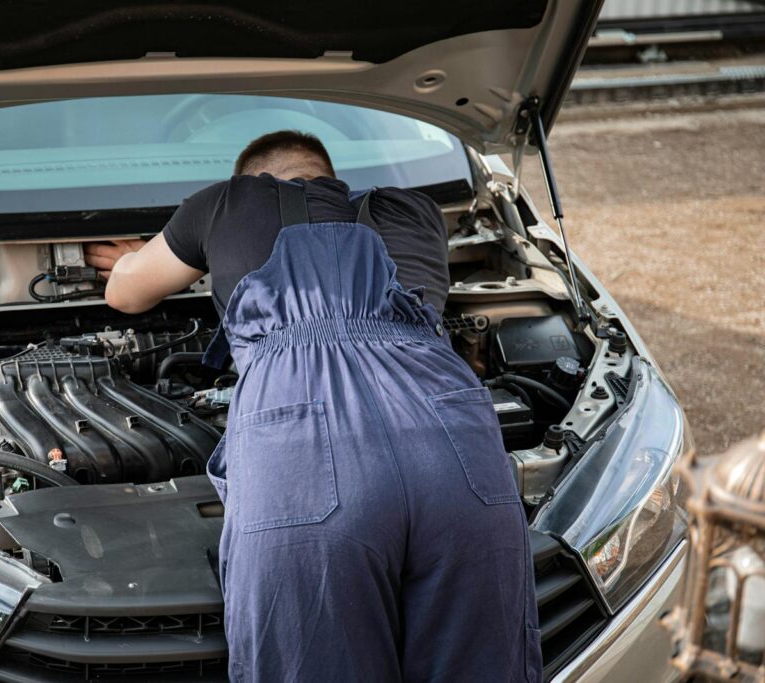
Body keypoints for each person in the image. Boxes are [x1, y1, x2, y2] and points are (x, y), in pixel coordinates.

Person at [85, 131, 540, 682]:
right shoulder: (416, 211)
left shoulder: (225, 201)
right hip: (452, 435)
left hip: (304, 437)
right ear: (329, 176)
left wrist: (145, 254)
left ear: (253, 179)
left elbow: (126, 294)